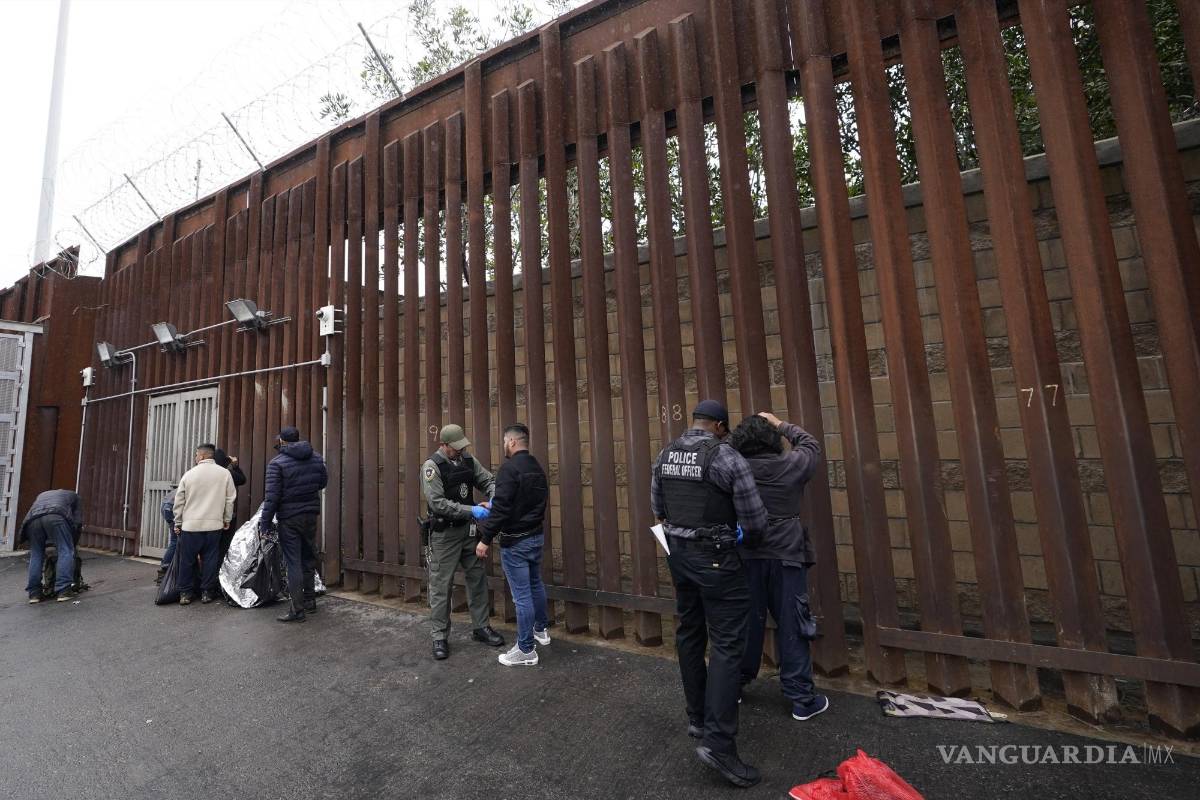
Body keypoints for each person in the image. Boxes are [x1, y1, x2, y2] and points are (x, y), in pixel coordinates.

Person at [651, 399, 768, 789]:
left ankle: (698, 717)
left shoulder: (666, 454)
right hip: (716, 559)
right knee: (727, 644)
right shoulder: (726, 457)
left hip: (679, 556)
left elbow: (658, 507)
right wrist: (741, 535)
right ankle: (719, 743)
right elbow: (754, 520)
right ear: (718, 426)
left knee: (689, 632)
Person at [730, 411, 829, 722]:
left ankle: (734, 686)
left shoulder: (735, 468)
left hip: (746, 556)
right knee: (792, 624)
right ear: (772, 439)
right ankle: (801, 698)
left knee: (745, 624)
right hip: (787, 556)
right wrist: (779, 423)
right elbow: (810, 443)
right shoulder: (791, 465)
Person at [422, 423, 504, 660]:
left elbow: (486, 479)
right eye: (455, 448)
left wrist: (495, 494)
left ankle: (481, 627)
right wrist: (472, 510)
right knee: (441, 586)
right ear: (443, 445)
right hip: (444, 535)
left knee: (477, 579)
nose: (459, 451)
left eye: (461, 447)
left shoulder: (467, 460)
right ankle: (439, 636)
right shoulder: (432, 467)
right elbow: (437, 503)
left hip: (468, 532)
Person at [475, 423, 551, 667]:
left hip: (516, 541)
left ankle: (526, 649)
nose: (504, 445)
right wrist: (494, 505)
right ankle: (541, 630)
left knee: (521, 596)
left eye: (505, 441)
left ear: (512, 442)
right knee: (535, 584)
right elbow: (523, 502)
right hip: (536, 537)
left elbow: (505, 507)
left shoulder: (509, 469)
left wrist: (485, 539)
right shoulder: (537, 468)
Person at [260, 426, 328, 623]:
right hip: (310, 514)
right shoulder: (316, 457)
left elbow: (272, 498)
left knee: (293, 562)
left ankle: (297, 610)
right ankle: (309, 601)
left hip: (289, 518)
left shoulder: (277, 463)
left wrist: (265, 524)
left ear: (281, 441)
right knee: (308, 558)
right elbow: (322, 482)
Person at [172, 443, 237, 606]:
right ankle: (207, 592)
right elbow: (230, 499)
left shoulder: (189, 475)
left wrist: (178, 522)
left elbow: (179, 501)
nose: (195, 458)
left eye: (196, 455)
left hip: (190, 526)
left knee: (187, 560)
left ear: (201, 456)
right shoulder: (225, 474)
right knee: (210, 559)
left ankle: (185, 594)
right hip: (214, 526)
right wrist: (226, 519)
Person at [19, 489, 83, 603]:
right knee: (65, 550)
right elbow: (77, 523)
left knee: (36, 554)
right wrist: (72, 544)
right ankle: (63, 590)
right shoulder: (75, 497)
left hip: (32, 520)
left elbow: (39, 515)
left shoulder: (42, 494)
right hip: (56, 516)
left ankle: (34, 594)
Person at [214, 448, 247, 559]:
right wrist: (235, 466)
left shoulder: (200, 472)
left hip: (205, 517)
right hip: (223, 515)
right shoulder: (227, 473)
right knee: (222, 547)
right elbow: (242, 479)